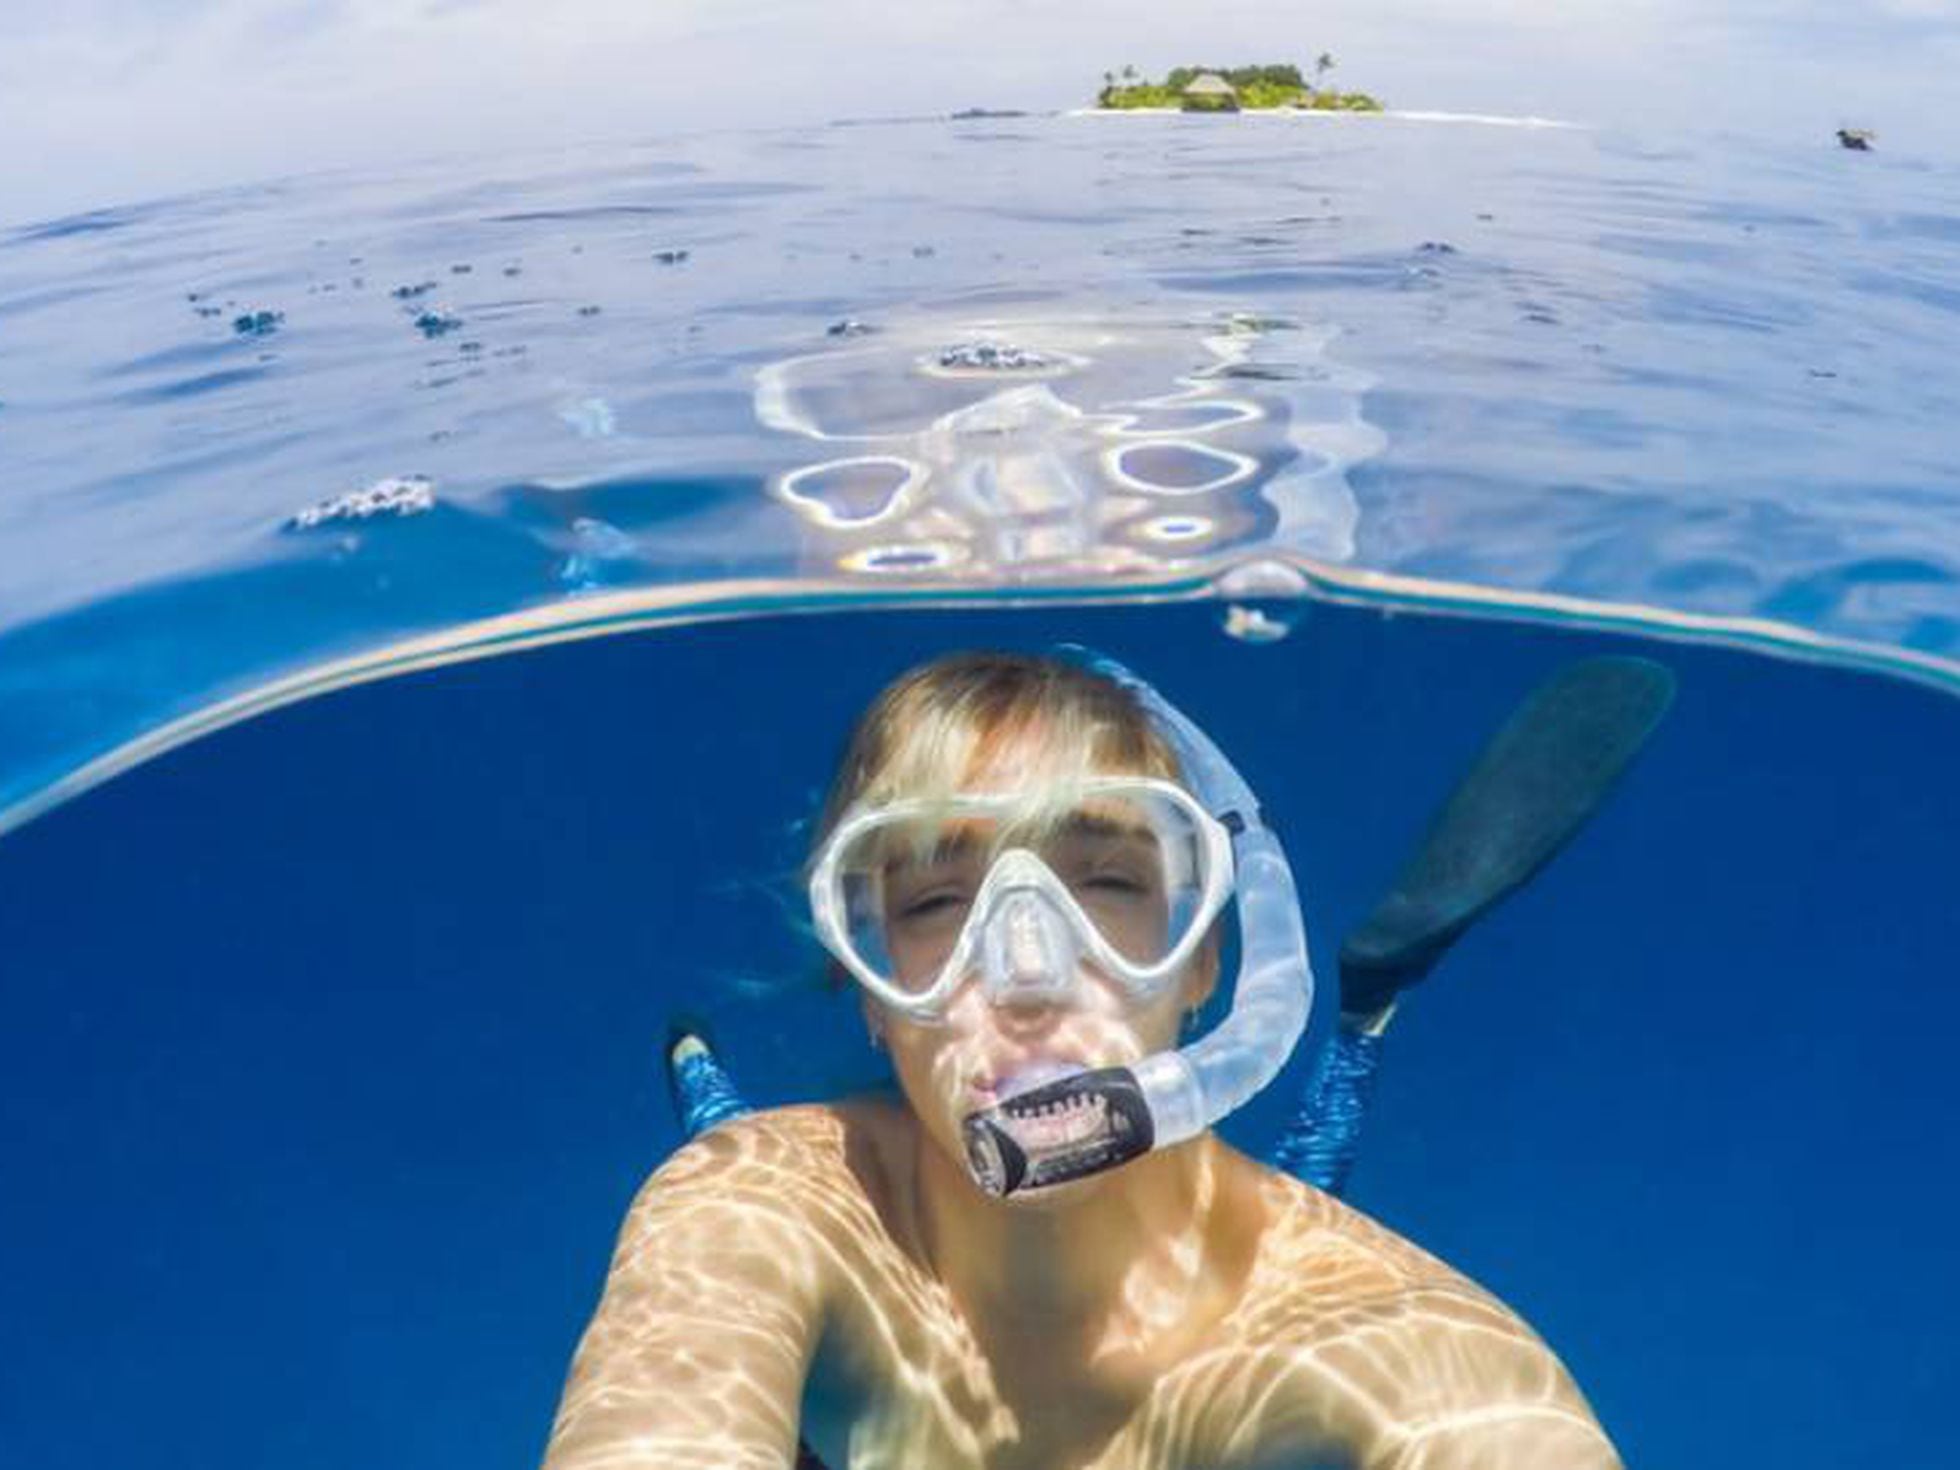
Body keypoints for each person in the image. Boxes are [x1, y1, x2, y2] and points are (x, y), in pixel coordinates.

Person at [544, 650, 1658, 1469]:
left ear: (1210, 964)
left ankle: (1363, 1006)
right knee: (719, 1128)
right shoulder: (758, 1209)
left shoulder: (1397, 1338)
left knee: (1320, 1151)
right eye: (936, 901)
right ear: (870, 996)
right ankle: (697, 1062)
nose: (1027, 979)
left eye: (1110, 885)